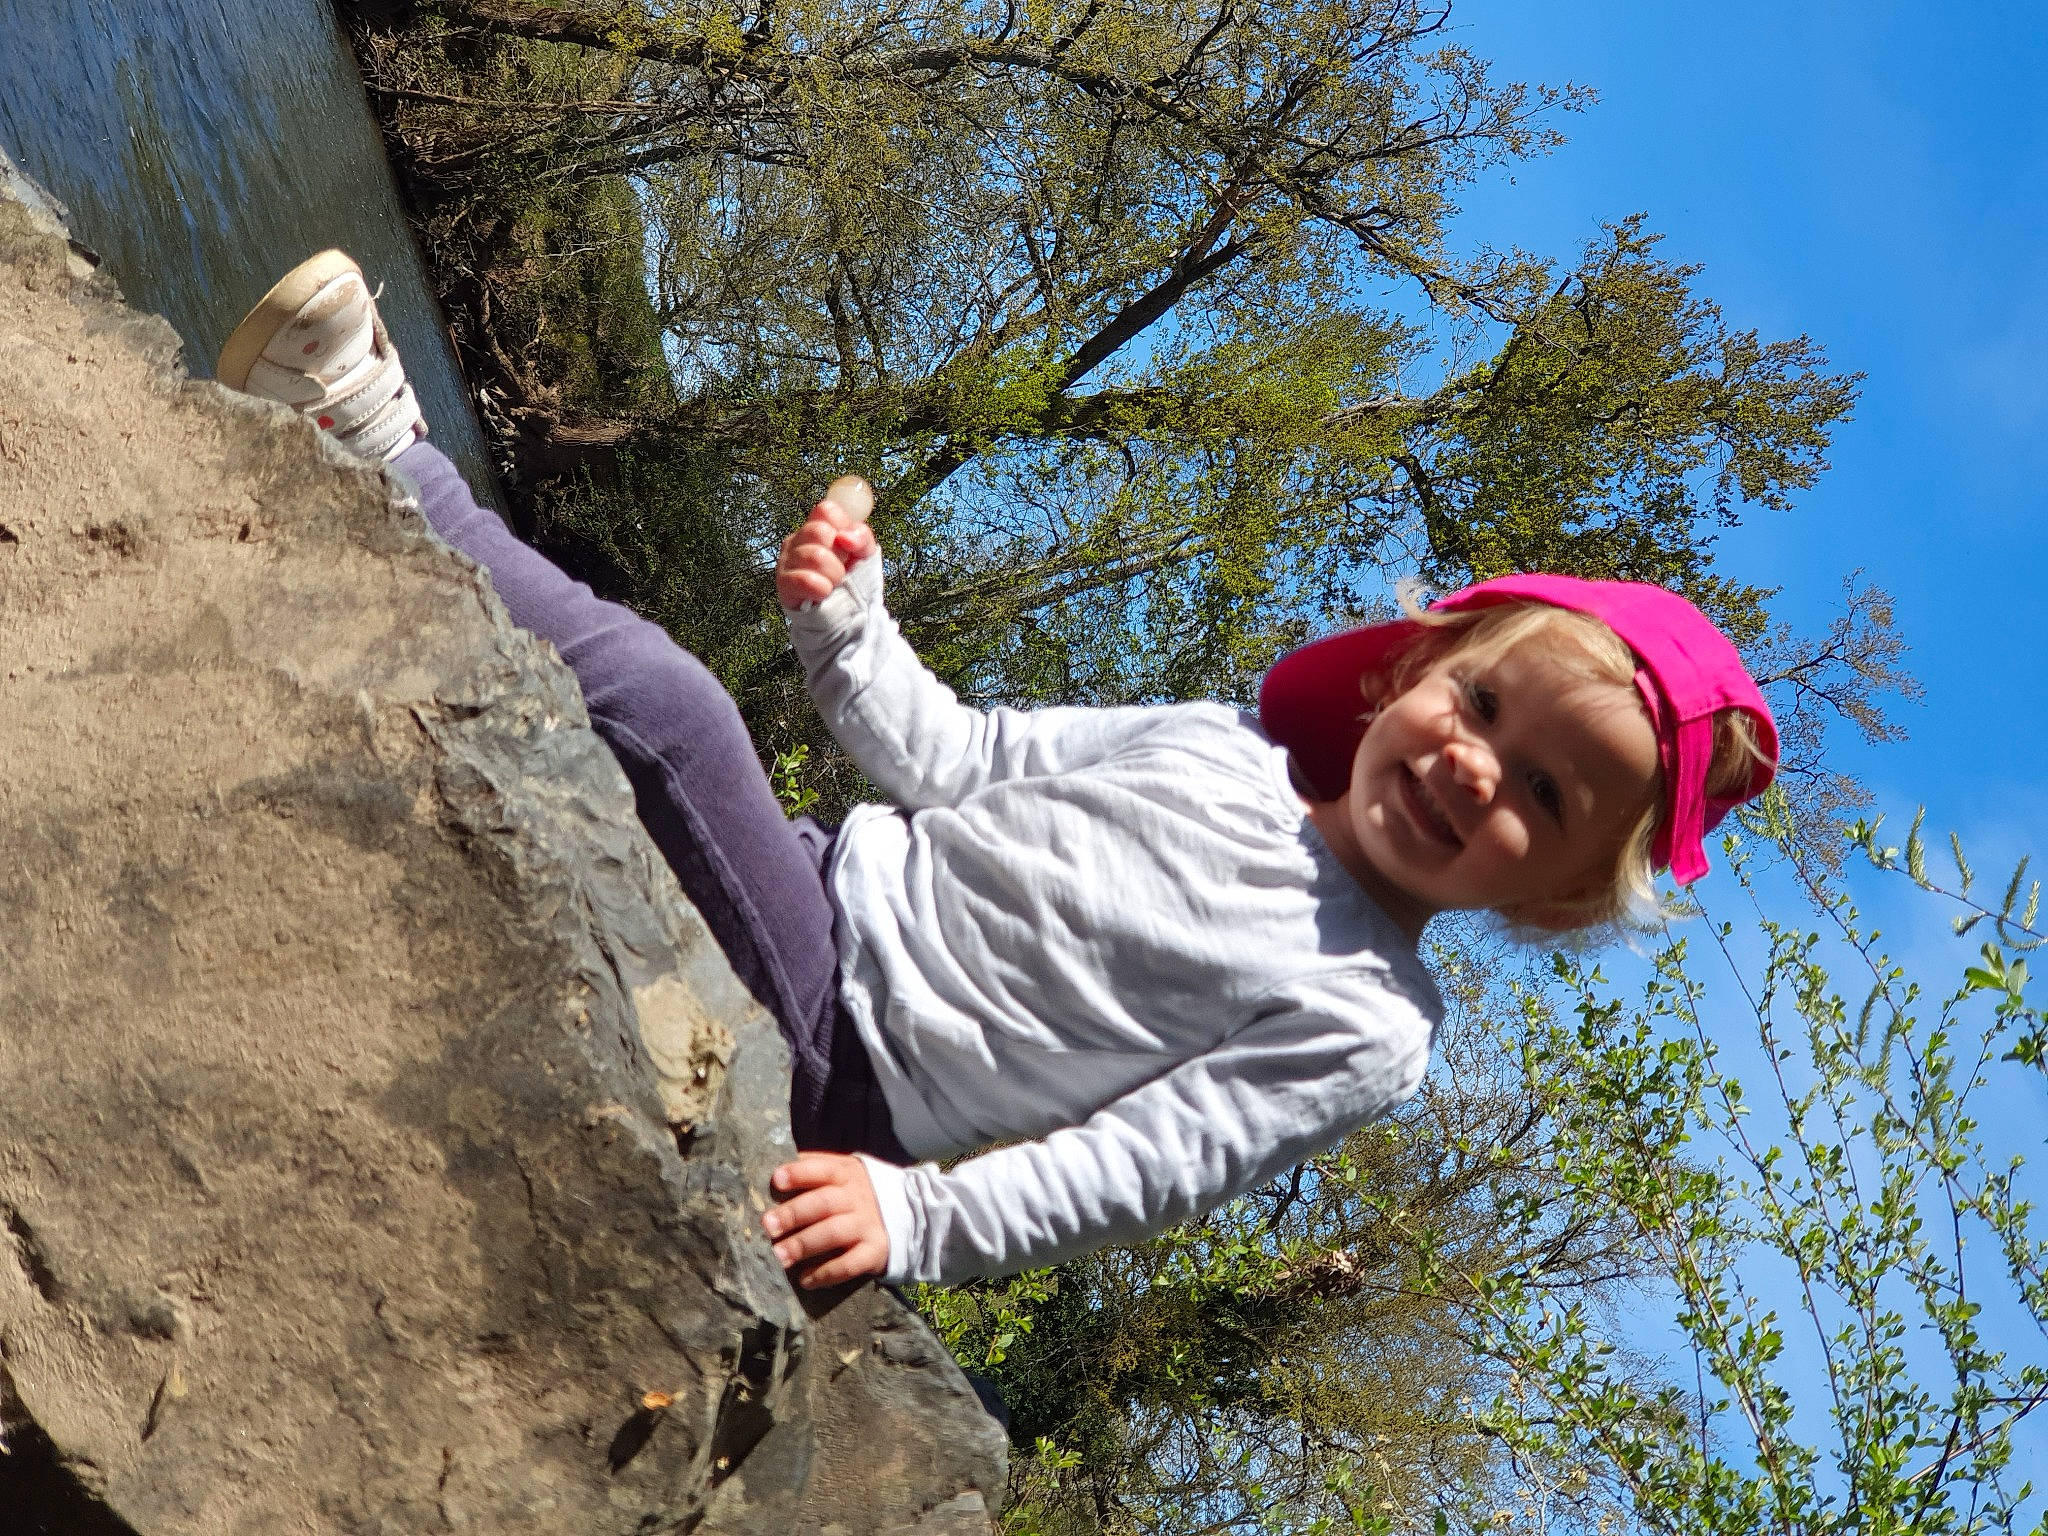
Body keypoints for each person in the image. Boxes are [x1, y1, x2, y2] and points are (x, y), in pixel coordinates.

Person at [215, 252, 1779, 1291]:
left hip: (842, 1057)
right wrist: (851, 624)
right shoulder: (1213, 743)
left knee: (671, 712)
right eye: (1486, 706)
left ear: (1563, 893)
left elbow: (1141, 1167)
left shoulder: (1370, 1020)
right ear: (1407, 672)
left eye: (1548, 800)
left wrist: (917, 1221)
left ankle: (378, 454)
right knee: (639, 726)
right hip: (827, 880)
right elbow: (955, 758)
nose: (1475, 770)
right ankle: (335, 526)